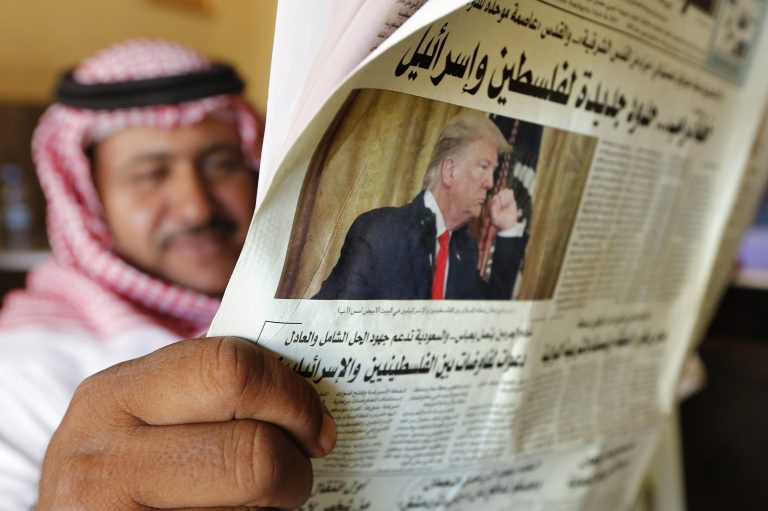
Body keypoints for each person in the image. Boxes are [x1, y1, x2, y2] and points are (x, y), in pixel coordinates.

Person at [0, 40, 336, 510]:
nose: (197, 206)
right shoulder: (21, 368)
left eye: (220, 164)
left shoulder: (324, 295)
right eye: (152, 174)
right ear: (90, 200)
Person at [314, 111, 528, 300]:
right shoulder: (380, 232)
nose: (490, 183)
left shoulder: (466, 251)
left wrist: (509, 231)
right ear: (449, 171)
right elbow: (330, 322)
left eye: (493, 171)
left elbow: (486, 319)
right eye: (483, 167)